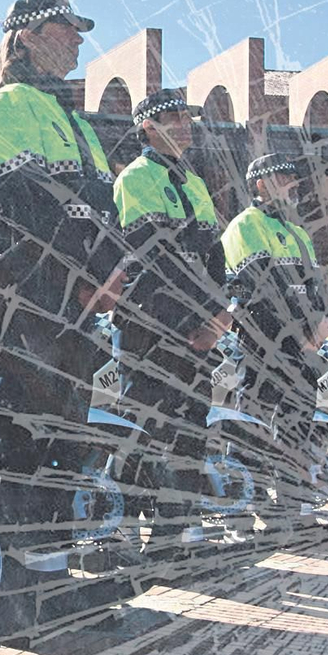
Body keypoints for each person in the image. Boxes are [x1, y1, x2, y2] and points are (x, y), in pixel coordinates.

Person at [0, 0, 127, 543]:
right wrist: (84, 283)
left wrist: (110, 276)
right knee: (19, 434)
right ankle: (15, 597)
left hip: (78, 306)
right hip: (30, 303)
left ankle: (52, 585)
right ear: (26, 38)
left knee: (65, 439)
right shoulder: (8, 108)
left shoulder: (73, 122)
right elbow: (23, 216)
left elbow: (101, 216)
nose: (78, 40)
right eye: (64, 29)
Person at [112, 89, 231, 552]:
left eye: (187, 117)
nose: (185, 125)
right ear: (146, 126)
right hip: (150, 324)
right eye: (173, 117)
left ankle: (176, 532)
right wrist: (190, 319)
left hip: (197, 332)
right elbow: (151, 257)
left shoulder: (196, 183)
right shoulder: (136, 178)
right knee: (143, 427)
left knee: (190, 430)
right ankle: (121, 529)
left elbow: (214, 259)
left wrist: (218, 317)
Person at [220, 152, 328, 518]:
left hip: (303, 346)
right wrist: (300, 335)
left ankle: (290, 508)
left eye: (293, 180)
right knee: (250, 426)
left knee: (297, 428)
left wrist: (318, 325)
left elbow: (315, 289)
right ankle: (241, 512)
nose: (292, 186)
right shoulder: (245, 225)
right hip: (261, 341)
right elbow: (262, 288)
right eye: (283, 180)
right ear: (261, 185)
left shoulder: (298, 232)